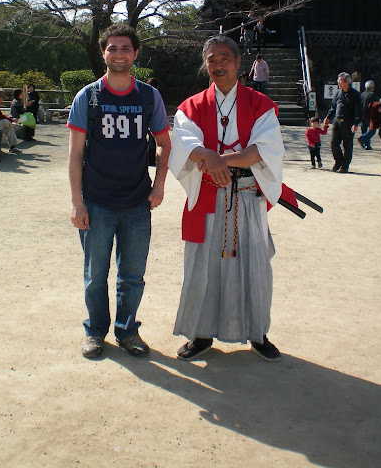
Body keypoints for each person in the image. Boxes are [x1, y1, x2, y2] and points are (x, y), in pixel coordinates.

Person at [168, 35, 284, 362]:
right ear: (205, 65)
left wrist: (220, 159)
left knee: (255, 266)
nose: (218, 64)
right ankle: (201, 333)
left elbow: (261, 151)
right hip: (207, 196)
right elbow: (185, 146)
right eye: (211, 59)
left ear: (237, 63)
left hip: (247, 198)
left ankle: (257, 332)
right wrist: (207, 156)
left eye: (224, 58)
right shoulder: (190, 107)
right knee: (203, 267)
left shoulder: (260, 105)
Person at [67, 24, 171, 359]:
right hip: (96, 203)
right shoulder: (89, 96)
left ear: (135, 53)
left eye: (125, 48)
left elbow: (164, 145)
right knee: (95, 275)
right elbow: (74, 154)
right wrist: (76, 203)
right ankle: (95, 332)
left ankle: (128, 332)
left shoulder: (147, 96)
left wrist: (159, 186)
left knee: (132, 276)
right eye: (112, 48)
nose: (119, 54)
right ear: (103, 53)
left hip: (137, 202)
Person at [324, 72, 361, 174]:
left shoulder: (355, 94)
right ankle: (338, 161)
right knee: (333, 142)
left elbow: (358, 110)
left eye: (340, 81)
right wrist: (328, 117)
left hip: (348, 123)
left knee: (347, 146)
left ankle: (345, 166)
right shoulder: (338, 93)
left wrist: (356, 123)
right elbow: (333, 107)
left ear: (346, 82)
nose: (338, 83)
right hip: (337, 121)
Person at [358, 80, 378, 150]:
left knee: (364, 130)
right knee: (372, 130)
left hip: (362, 115)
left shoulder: (361, 94)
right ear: (372, 87)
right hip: (370, 115)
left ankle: (367, 145)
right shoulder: (372, 95)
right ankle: (363, 139)